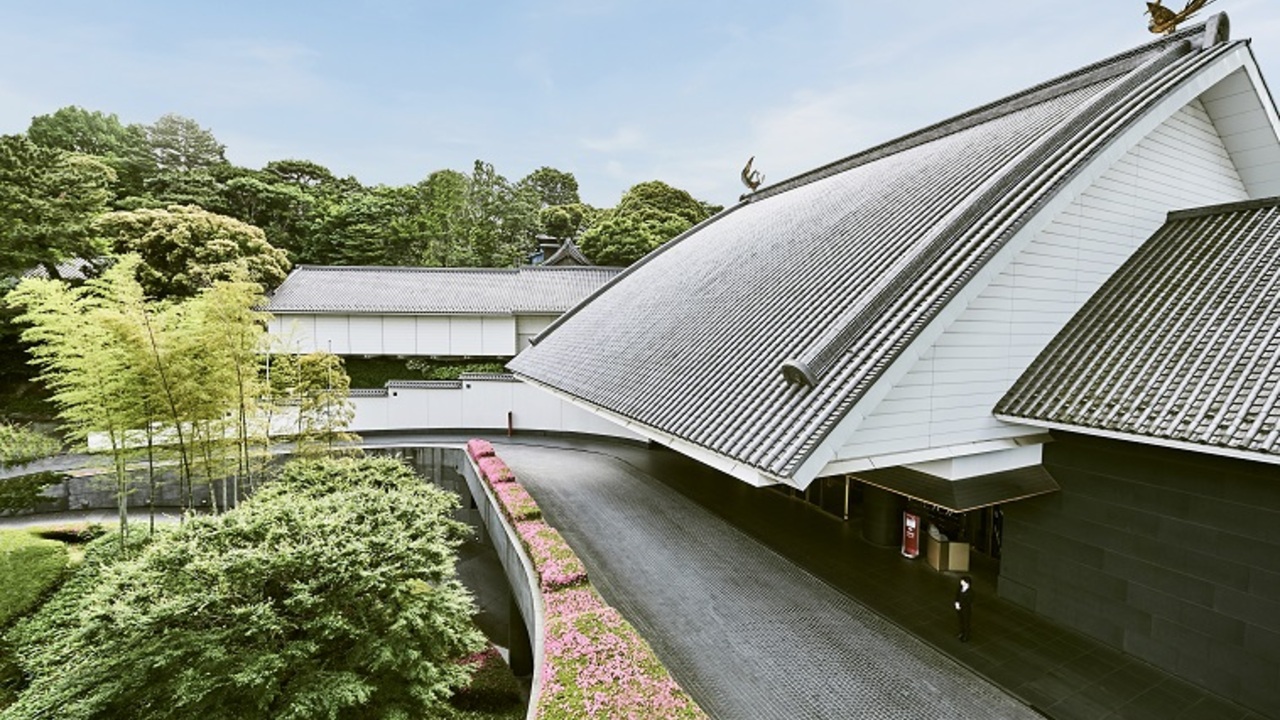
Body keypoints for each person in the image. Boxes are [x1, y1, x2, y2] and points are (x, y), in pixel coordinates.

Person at [954, 575, 973, 642]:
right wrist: (956, 602)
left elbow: (968, 602)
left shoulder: (970, 592)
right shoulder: (960, 588)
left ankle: (966, 635)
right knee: (961, 621)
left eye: (962, 581)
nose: (961, 582)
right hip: (959, 608)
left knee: (966, 622)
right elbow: (957, 595)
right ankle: (961, 632)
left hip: (966, 609)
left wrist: (960, 605)